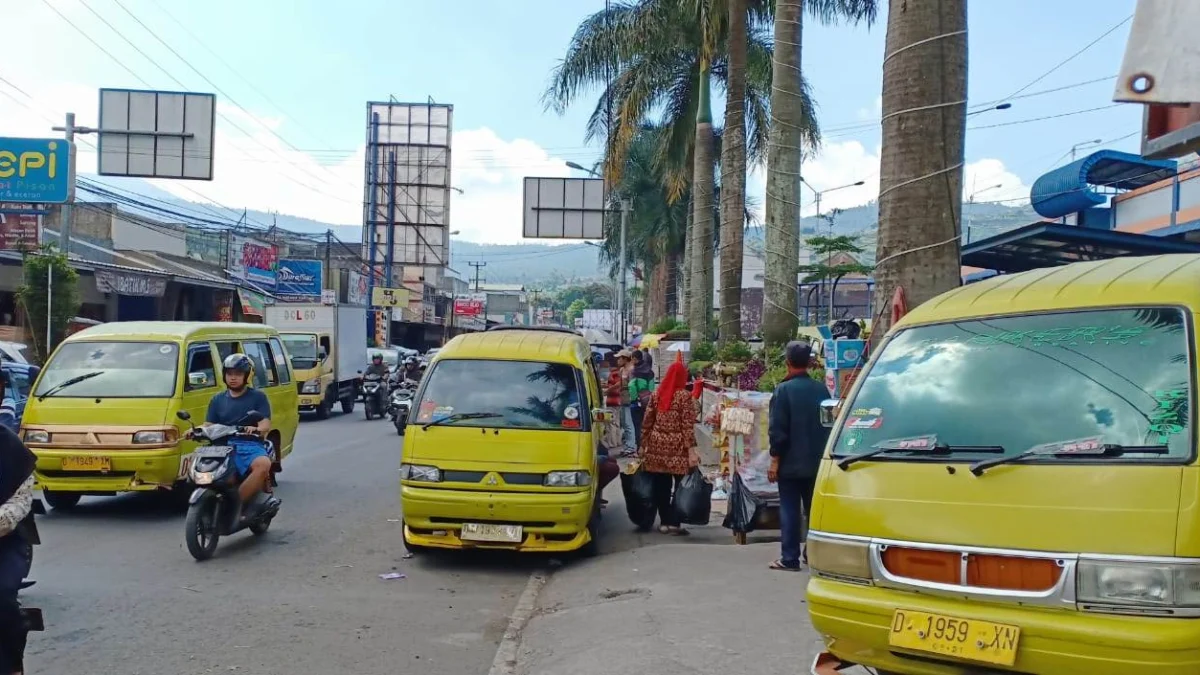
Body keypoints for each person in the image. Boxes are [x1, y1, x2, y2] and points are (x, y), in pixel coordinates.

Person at [767, 341, 830, 571]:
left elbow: (778, 431)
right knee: (814, 511)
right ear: (810, 363)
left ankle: (789, 558)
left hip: (791, 464)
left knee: (790, 509)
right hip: (817, 462)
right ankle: (811, 554)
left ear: (787, 362)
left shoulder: (783, 391)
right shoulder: (822, 390)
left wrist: (775, 460)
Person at [194, 354, 278, 511]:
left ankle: (237, 505)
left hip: (249, 443)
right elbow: (209, 425)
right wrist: (195, 431)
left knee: (263, 464)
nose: (233, 378)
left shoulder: (258, 397)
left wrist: (257, 429)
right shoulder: (217, 399)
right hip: (221, 447)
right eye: (229, 374)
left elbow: (265, 423)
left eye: (238, 374)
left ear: (247, 376)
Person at [638, 353, 700, 535]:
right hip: (677, 448)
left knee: (661, 487)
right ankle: (674, 522)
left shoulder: (657, 394)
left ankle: (664, 522)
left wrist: (643, 444)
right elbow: (687, 426)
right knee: (680, 486)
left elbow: (647, 421)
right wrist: (692, 452)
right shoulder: (685, 397)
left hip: (657, 447)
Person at [0, 426, 36, 674]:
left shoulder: (10, 447)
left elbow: (19, 504)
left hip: (5, 540)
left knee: (1, 597)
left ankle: (12, 666)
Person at [628, 351, 654, 445]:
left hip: (637, 403)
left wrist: (634, 398)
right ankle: (647, 444)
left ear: (635, 358)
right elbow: (652, 387)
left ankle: (639, 446)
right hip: (647, 402)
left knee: (637, 425)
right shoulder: (650, 371)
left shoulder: (634, 371)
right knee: (647, 424)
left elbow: (631, 386)